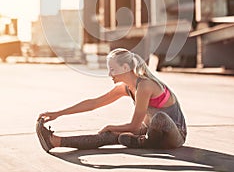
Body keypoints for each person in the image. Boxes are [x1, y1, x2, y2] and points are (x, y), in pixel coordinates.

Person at [36, 48, 187, 152]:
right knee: (109, 136)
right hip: (148, 132)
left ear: (125, 67)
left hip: (174, 135)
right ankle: (55, 141)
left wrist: (111, 126)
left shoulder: (145, 86)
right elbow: (93, 103)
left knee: (159, 118)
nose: (109, 74)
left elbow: (134, 126)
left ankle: (143, 143)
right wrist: (58, 113)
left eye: (113, 69)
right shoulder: (125, 88)